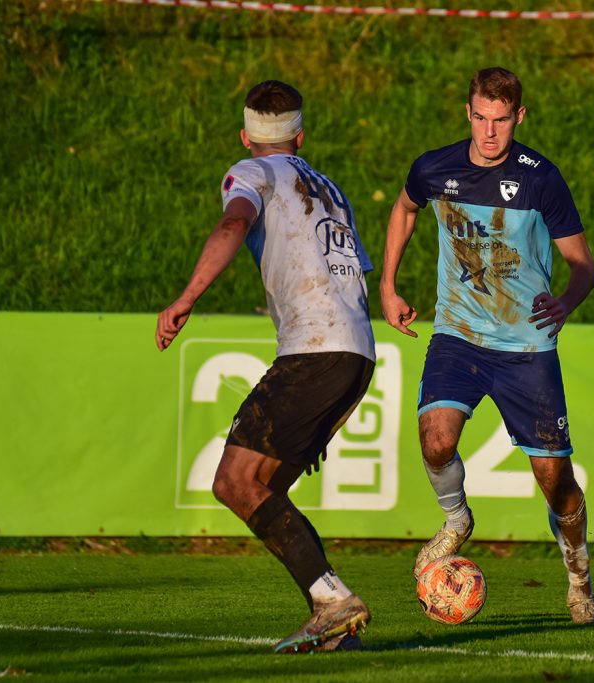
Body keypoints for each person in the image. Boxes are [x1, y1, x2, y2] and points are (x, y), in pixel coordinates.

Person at [156, 80, 377, 652]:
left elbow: (233, 224)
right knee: (266, 488)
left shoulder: (251, 172)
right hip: (355, 352)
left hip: (314, 349)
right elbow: (353, 273)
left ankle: (333, 600)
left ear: (244, 136)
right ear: (300, 138)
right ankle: (334, 626)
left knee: (234, 482)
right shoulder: (332, 190)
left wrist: (186, 298)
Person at [380, 67, 594, 625]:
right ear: (468, 111)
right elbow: (404, 209)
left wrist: (566, 302)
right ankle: (457, 519)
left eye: (500, 120)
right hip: (459, 336)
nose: (488, 132)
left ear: (519, 117)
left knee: (555, 482)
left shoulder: (541, 180)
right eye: (480, 117)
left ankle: (579, 582)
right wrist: (387, 285)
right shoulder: (434, 168)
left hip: (526, 347)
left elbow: (583, 265)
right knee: (436, 441)